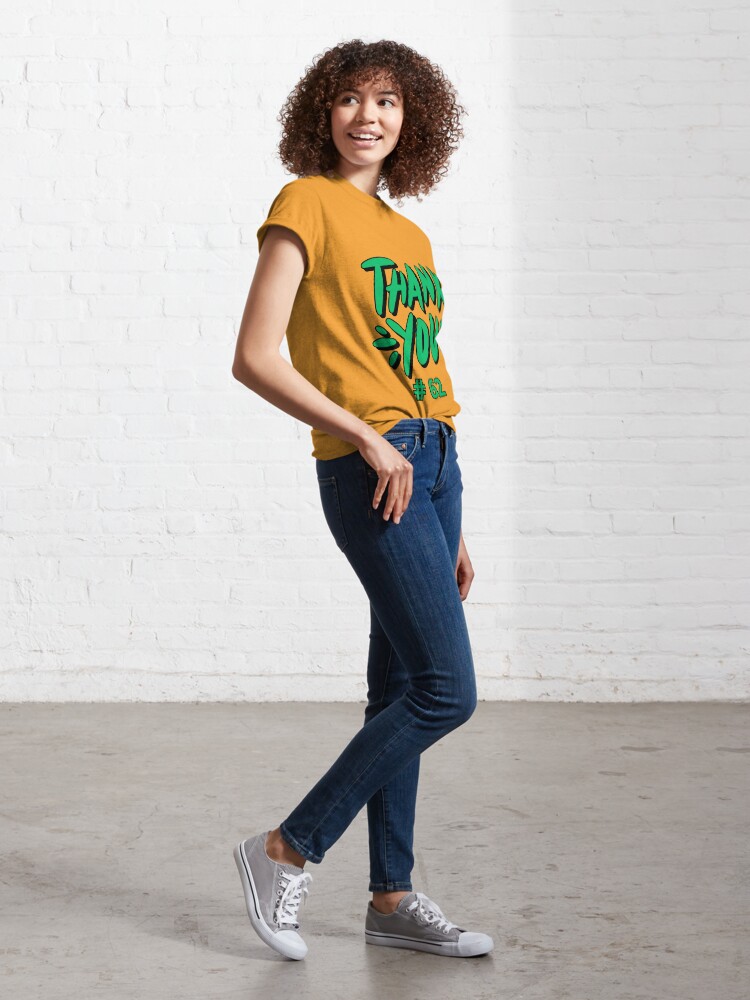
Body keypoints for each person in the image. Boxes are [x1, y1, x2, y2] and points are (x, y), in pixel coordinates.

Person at [231, 38, 493, 962]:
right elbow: (254, 357)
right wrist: (368, 436)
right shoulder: (304, 203)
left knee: (402, 689)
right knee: (446, 692)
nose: (367, 116)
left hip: (433, 463)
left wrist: (451, 520)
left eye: (387, 101)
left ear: (412, 120)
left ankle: (392, 898)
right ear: (324, 112)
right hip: (370, 462)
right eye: (349, 99)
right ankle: (284, 849)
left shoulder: (410, 237)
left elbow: (422, 371)